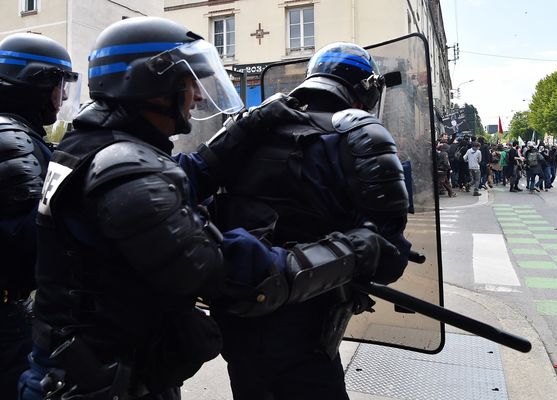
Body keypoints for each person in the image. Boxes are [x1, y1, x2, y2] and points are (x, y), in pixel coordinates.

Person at [17, 19, 404, 400]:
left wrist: (249, 126)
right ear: (152, 85)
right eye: (189, 84)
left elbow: (191, 174)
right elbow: (232, 273)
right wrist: (353, 251)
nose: (198, 96)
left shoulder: (96, 146)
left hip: (105, 368)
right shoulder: (124, 168)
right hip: (100, 383)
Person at [197, 42, 412, 399]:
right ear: (366, 90)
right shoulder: (359, 135)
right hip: (308, 326)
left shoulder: (250, 128)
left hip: (237, 318)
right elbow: (389, 259)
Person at [0, 33, 79, 400]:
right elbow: (28, 246)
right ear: (34, 83)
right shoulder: (12, 140)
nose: (62, 96)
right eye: (59, 84)